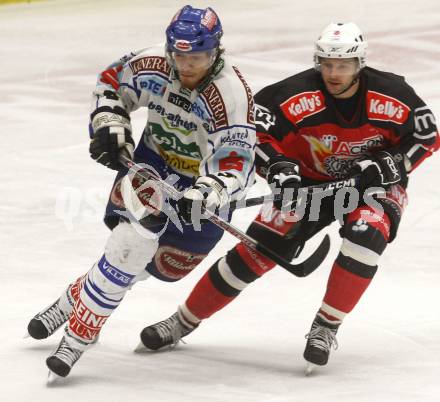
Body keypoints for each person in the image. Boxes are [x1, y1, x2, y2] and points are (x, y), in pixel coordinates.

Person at [136, 22, 439, 371]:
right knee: (254, 253)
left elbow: (426, 135)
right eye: (326, 64)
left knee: (365, 238)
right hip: (308, 185)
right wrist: (279, 168)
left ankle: (325, 327)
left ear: (360, 63)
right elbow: (253, 135)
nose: (333, 73)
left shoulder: (392, 94)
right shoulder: (292, 95)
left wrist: (391, 162)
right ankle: (182, 321)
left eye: (342, 65)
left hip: (371, 187)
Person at [26, 5, 256, 379]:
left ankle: (76, 298)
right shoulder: (154, 62)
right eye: (179, 55)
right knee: (129, 246)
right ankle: (78, 338)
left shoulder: (231, 95)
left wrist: (205, 193)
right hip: (152, 168)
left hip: (197, 186)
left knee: (154, 267)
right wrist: (111, 123)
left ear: (215, 52)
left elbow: (236, 163)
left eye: (196, 56)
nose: (186, 65)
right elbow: (111, 82)